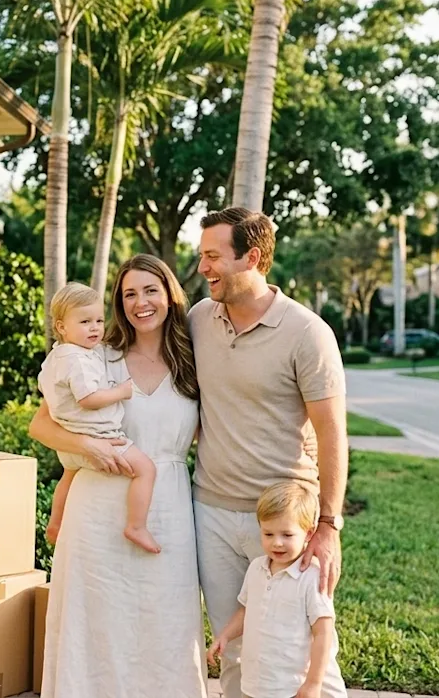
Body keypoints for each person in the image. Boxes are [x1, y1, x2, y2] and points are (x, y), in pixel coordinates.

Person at [29, 255, 206, 698]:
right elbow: (41, 426)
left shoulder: (193, 358)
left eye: (150, 291)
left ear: (170, 295)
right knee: (96, 623)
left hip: (167, 506)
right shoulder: (96, 356)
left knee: (165, 624)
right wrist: (87, 446)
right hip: (97, 509)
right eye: (129, 293)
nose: (140, 302)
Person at [190, 207, 349, 698]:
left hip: (285, 522)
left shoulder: (308, 333)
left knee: (299, 649)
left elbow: (332, 433)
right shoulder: (198, 319)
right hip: (212, 512)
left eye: (213, 257)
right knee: (234, 649)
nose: (203, 268)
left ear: (252, 258)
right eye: (202, 257)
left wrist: (328, 527)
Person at [39, 282, 160, 554]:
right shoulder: (79, 359)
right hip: (100, 436)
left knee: (67, 477)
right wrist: (121, 391)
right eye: (85, 322)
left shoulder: (57, 356)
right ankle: (136, 526)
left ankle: (56, 523)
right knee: (146, 470)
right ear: (61, 327)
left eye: (98, 320)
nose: (94, 328)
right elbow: (88, 398)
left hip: (69, 442)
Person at [207, 481, 348, 698]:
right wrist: (225, 636)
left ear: (308, 534)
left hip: (291, 686)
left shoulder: (311, 578)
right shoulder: (256, 568)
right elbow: (246, 610)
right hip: (257, 683)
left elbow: (323, 633)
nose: (277, 543)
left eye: (287, 535)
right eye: (268, 534)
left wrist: (313, 683)